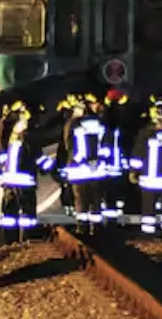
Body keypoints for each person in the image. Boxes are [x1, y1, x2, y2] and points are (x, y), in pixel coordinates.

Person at [0, 100, 53, 243]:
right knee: (27, 213)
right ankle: (27, 238)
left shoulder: (10, 137)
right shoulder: (29, 137)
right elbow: (38, 158)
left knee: (9, 214)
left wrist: (2, 171)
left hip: (9, 181)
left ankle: (9, 240)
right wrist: (53, 168)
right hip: (25, 182)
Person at [128, 97, 162, 237]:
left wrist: (134, 172)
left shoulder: (145, 133)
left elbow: (138, 154)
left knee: (149, 209)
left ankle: (150, 233)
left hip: (149, 180)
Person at [59, 94, 109, 234]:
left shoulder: (72, 124)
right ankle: (96, 228)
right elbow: (106, 145)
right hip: (97, 169)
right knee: (96, 200)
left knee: (81, 200)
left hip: (78, 170)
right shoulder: (99, 123)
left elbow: (68, 145)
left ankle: (82, 227)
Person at [100, 89, 130, 221]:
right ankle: (116, 216)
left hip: (108, 165)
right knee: (117, 193)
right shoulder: (123, 119)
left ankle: (110, 219)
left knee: (109, 194)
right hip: (118, 164)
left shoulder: (104, 120)